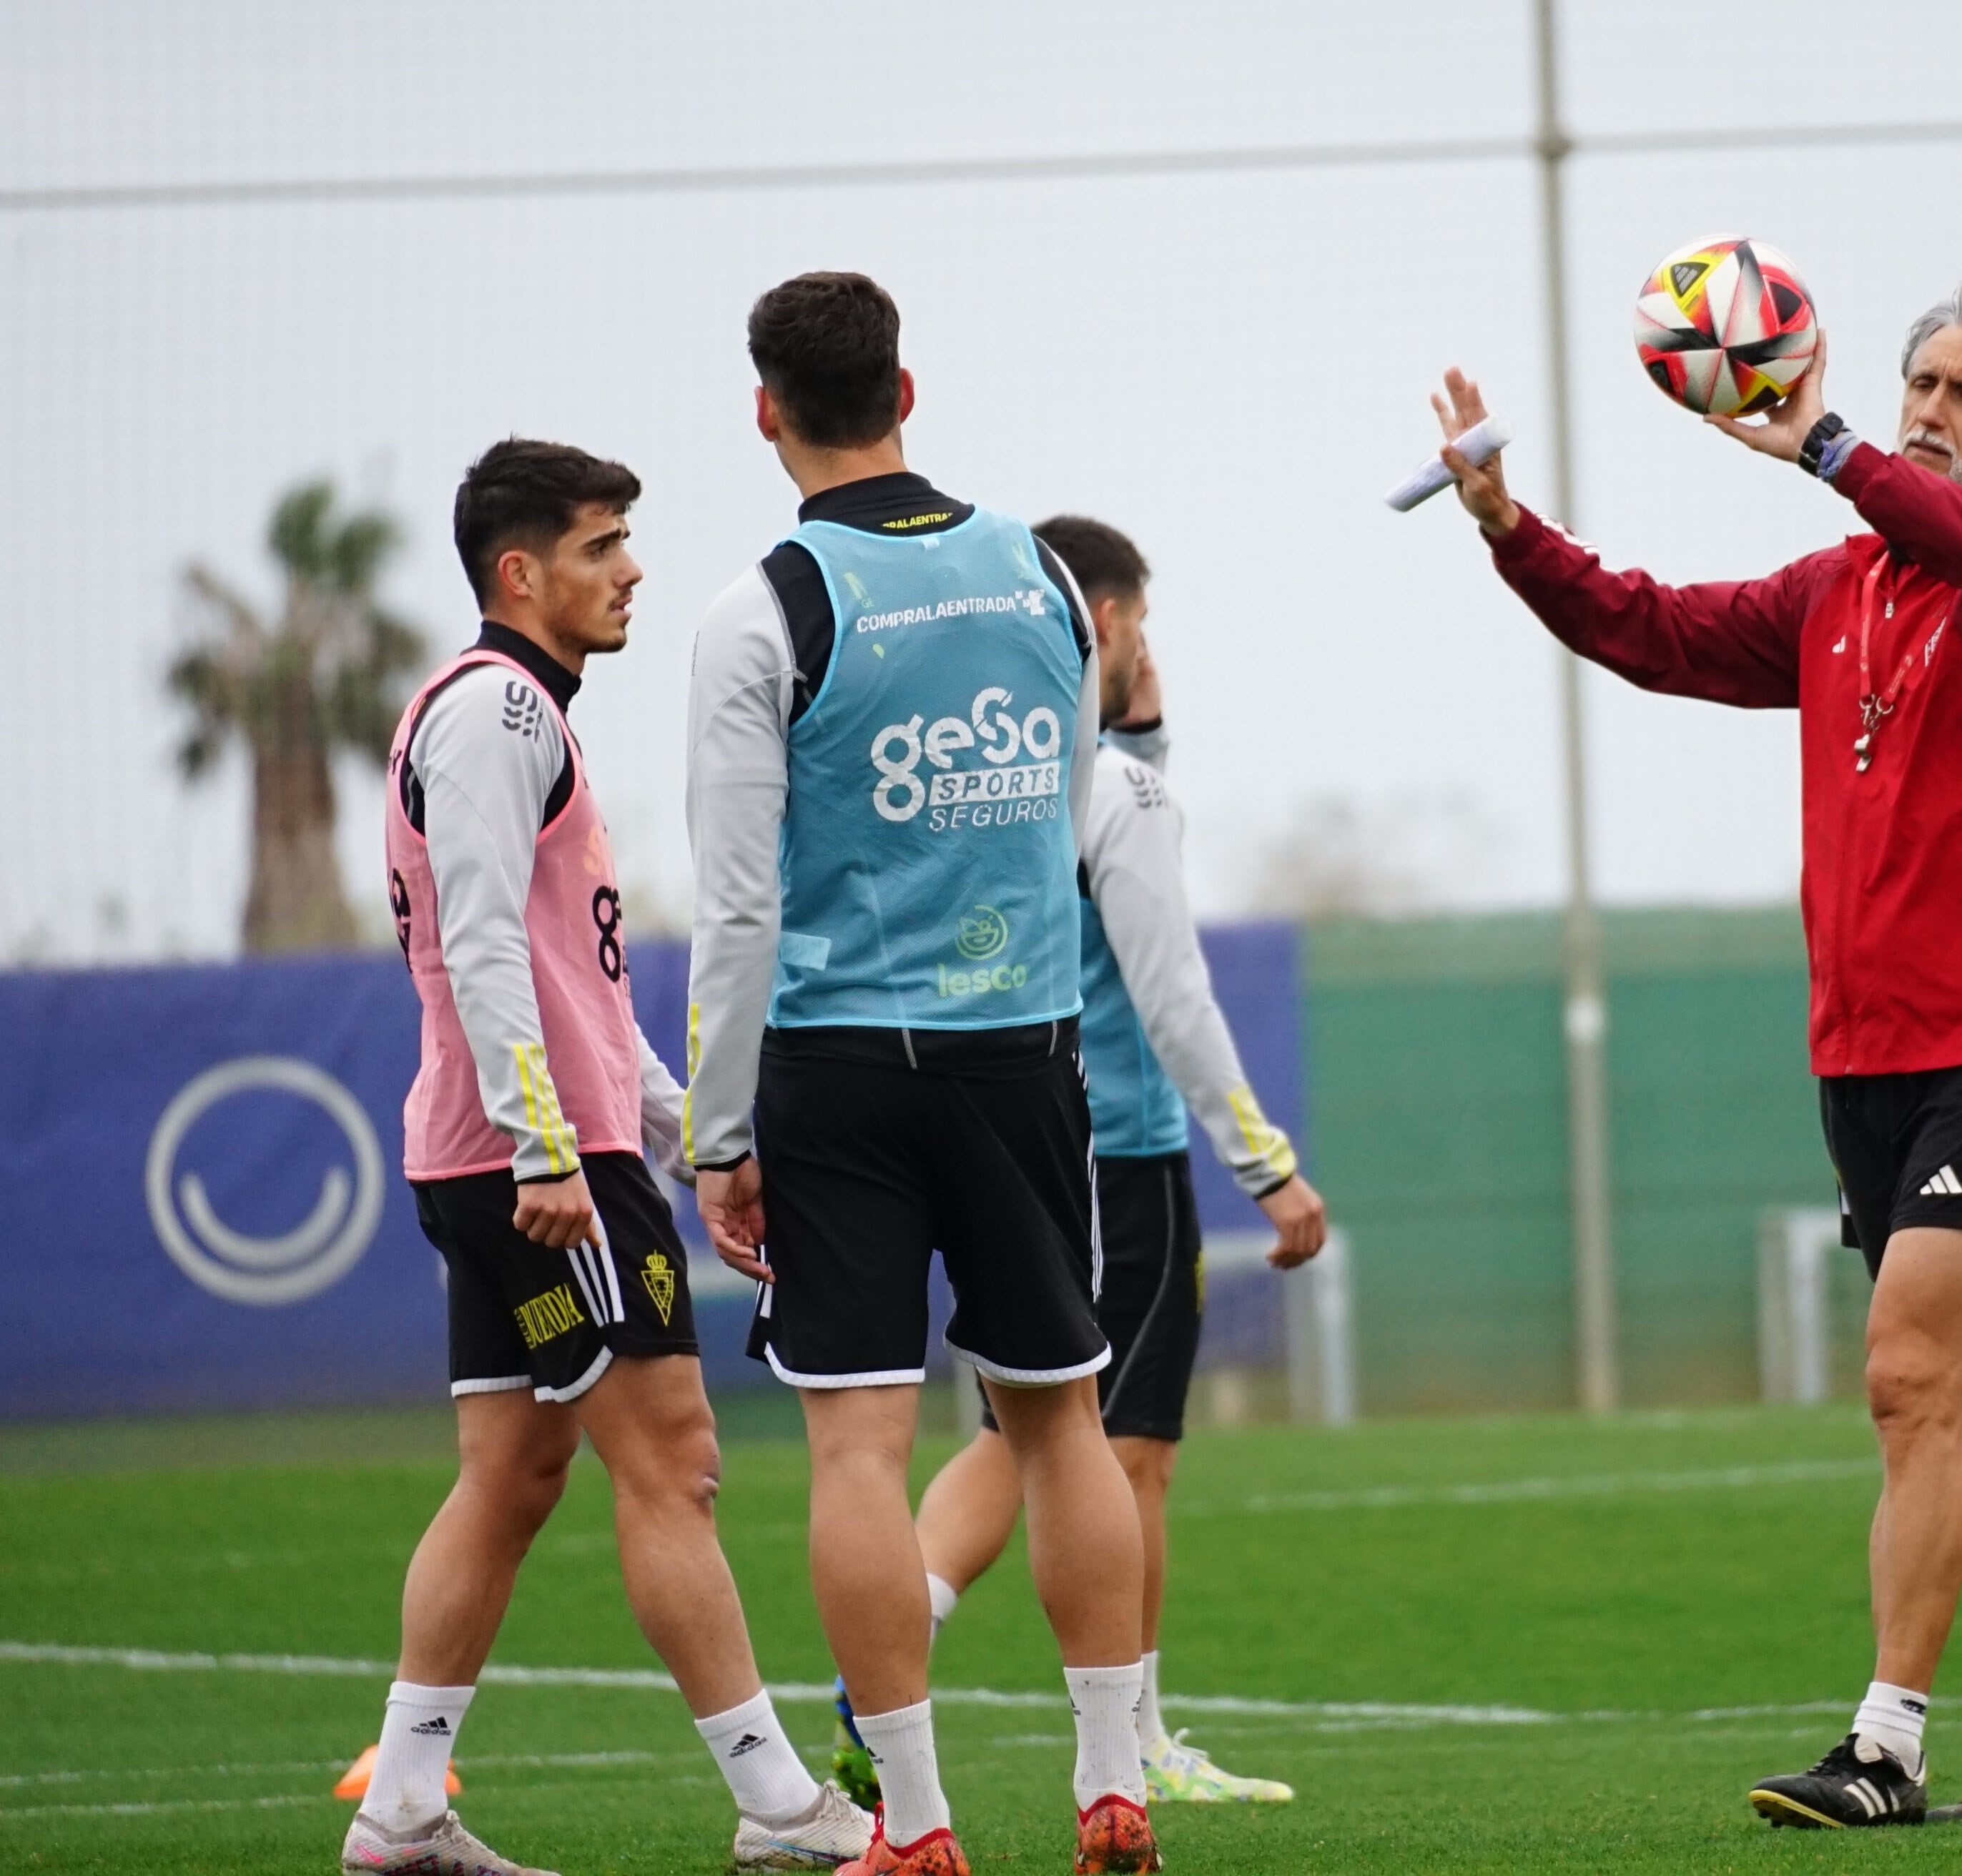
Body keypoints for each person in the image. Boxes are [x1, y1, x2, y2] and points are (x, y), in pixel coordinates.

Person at [1428, 276, 1962, 1830]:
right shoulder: (1842, 588)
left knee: (1900, 1381)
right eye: (1916, 387)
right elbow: (1652, 631)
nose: (1930, 413)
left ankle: (1884, 1746)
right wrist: (1507, 527)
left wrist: (1815, 438)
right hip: (1864, 1052)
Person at [685, 272, 1156, 1876]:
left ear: (767, 411)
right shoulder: (1040, 569)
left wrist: (718, 1127)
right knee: (1061, 1422)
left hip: (837, 1074)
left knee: (857, 1453)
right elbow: (1069, 800)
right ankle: (1115, 1784)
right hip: (1024, 1053)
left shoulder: (761, 611)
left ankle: (921, 1822)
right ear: (908, 385)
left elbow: (740, 898)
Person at [351, 440, 872, 1876]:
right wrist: (546, 1148)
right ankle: (781, 1807)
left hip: (528, 1149)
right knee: (677, 1463)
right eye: (600, 545)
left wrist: (685, 1127)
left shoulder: (516, 715)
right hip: (536, 1167)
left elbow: (571, 987)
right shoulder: (499, 709)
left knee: (514, 1472)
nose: (630, 568)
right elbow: (475, 942)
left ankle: (399, 1813)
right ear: (521, 572)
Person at [909, 515, 1329, 1807]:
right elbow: (1173, 996)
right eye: (1136, 625)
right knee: (1118, 1450)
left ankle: (883, 1645)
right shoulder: (1116, 794)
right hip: (1124, 1159)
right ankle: (1135, 1742)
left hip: (1007, 1141)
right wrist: (1265, 1164)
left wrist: (1144, 732)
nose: (1149, 650)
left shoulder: (1005, 770)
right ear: (1101, 625)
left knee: (1019, 1431)